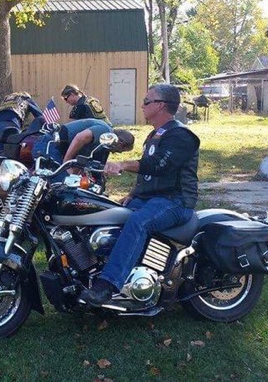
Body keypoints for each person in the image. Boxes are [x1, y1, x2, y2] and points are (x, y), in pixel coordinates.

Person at [79, 84, 199, 306]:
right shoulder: (155, 135)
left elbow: (160, 165)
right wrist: (132, 194)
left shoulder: (181, 136)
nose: (142, 106)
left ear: (160, 105)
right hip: (150, 199)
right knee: (106, 215)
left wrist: (123, 164)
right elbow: (148, 174)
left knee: (138, 222)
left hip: (175, 201)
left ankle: (107, 285)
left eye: (146, 101)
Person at [31, 118, 134, 180]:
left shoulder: (103, 145)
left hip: (60, 149)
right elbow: (80, 138)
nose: (117, 152)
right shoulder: (105, 130)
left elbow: (82, 161)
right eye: (121, 150)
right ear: (120, 142)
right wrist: (65, 164)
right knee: (58, 182)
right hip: (50, 144)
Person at [0, 92, 44, 156]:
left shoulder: (7, 99)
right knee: (14, 153)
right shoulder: (25, 98)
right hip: (10, 125)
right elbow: (40, 116)